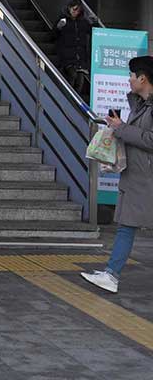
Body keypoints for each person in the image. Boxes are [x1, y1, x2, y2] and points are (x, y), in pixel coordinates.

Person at [81, 56, 153, 294]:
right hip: (136, 175)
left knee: (127, 226)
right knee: (126, 225)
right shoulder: (141, 105)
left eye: (132, 76)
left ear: (143, 78)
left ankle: (111, 275)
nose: (129, 80)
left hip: (145, 177)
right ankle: (111, 274)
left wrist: (122, 128)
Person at [55, 0, 94, 100]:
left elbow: (92, 31)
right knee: (72, 76)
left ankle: (75, 102)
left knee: (80, 81)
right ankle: (68, 100)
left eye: (77, 10)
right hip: (67, 56)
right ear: (69, 8)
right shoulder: (63, 20)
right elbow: (54, 35)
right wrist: (58, 27)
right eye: (74, 9)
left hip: (80, 57)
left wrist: (95, 23)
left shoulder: (83, 22)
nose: (75, 12)